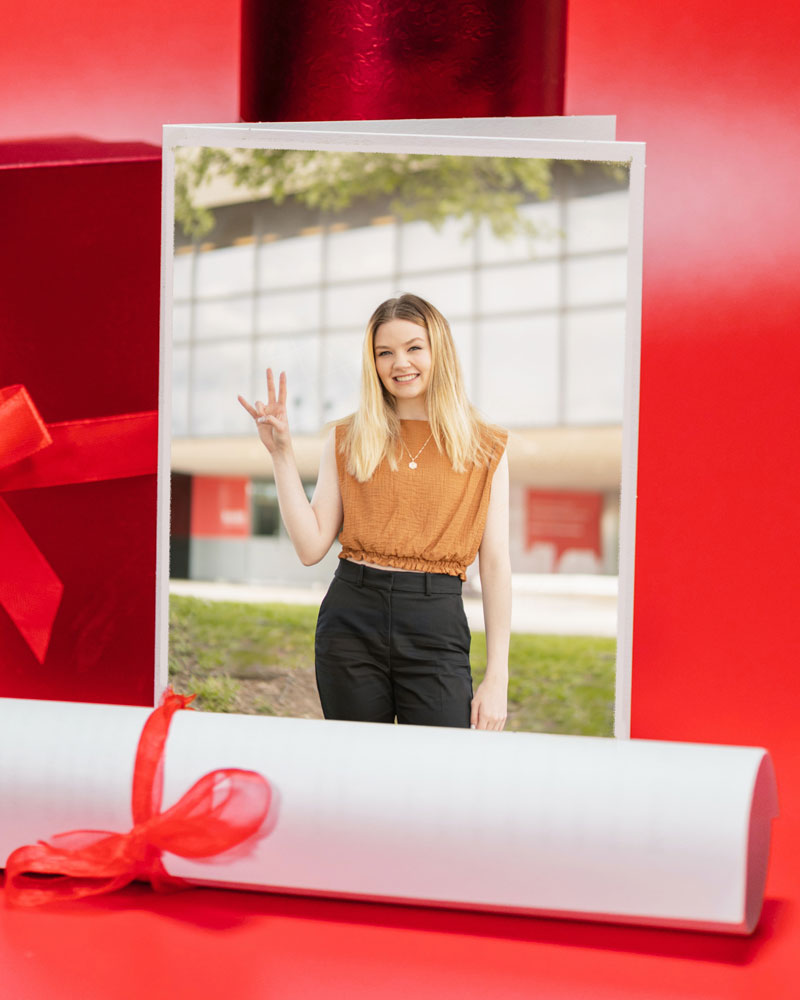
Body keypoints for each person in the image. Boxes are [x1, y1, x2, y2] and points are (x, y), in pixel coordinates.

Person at [238, 293, 510, 731]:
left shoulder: (486, 446)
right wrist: (282, 456)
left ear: (438, 350)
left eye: (413, 347)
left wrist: (497, 676)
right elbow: (310, 547)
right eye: (385, 353)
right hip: (351, 622)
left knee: (438, 779)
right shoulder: (349, 437)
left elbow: (496, 563)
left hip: (436, 624)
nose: (399, 363)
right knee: (357, 777)